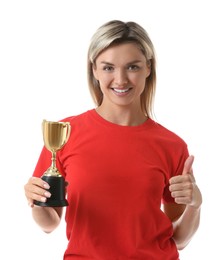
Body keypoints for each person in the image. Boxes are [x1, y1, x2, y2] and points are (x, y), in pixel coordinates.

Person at [24, 20, 202, 260]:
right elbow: (49, 224)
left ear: (148, 68)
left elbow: (179, 239)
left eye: (132, 67)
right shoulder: (65, 133)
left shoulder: (172, 145)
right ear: (94, 70)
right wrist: (36, 202)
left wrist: (195, 205)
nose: (120, 80)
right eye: (108, 68)